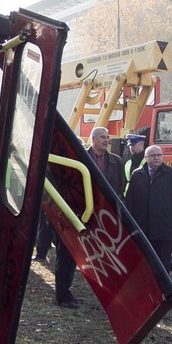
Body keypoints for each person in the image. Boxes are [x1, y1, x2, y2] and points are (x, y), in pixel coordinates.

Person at [49, 127, 125, 308]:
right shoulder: (77, 158)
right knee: (67, 254)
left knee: (103, 256)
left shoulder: (117, 162)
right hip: (76, 215)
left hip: (102, 217)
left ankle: (109, 297)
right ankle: (63, 295)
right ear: (93, 139)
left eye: (108, 137)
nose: (107, 140)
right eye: (102, 137)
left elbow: (118, 190)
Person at [124, 144, 172, 269]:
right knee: (143, 265)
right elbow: (130, 201)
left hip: (163, 229)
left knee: (162, 265)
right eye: (153, 156)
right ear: (146, 157)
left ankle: (162, 289)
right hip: (142, 229)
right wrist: (129, 225)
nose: (157, 158)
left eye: (159, 155)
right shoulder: (137, 175)